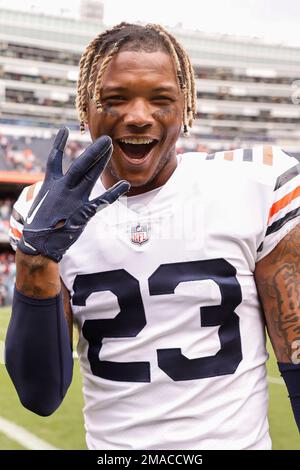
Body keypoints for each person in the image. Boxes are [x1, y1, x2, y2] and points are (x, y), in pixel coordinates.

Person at [5, 22, 300, 450]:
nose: (139, 116)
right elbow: (39, 395)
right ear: (85, 110)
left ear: (185, 107)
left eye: (161, 99)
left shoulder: (256, 182)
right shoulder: (45, 211)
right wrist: (36, 261)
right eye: (115, 99)